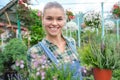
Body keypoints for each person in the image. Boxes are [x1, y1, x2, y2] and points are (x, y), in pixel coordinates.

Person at [27, 1, 82, 80]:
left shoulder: (71, 43)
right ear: (43, 20)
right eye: (49, 18)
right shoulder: (35, 52)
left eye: (59, 19)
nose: (54, 23)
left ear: (64, 21)